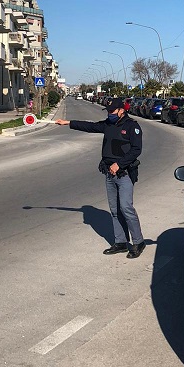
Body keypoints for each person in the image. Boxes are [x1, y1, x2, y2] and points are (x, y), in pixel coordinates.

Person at [55, 98, 146, 259]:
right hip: (109, 172)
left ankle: (138, 242)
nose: (110, 114)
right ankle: (120, 242)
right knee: (114, 210)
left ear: (121, 110)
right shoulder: (108, 125)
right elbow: (90, 126)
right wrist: (67, 122)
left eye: (112, 111)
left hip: (124, 173)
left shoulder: (132, 126)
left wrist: (119, 164)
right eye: (108, 111)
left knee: (126, 207)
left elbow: (136, 150)